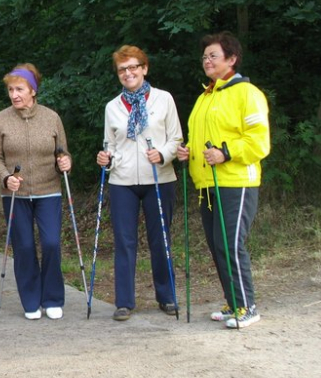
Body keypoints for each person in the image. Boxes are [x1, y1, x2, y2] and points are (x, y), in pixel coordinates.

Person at [177, 31, 270, 328]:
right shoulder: (205, 97)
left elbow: (259, 142)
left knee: (231, 243)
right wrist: (187, 152)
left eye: (213, 55)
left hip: (237, 180)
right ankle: (233, 303)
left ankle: (247, 306)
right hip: (207, 185)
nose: (207, 60)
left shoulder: (248, 94)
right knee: (218, 245)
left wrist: (226, 153)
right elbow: (201, 140)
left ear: (231, 59)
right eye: (204, 56)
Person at [96, 46, 183, 322]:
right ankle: (124, 302)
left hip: (159, 178)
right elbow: (110, 146)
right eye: (122, 69)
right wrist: (106, 160)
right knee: (124, 242)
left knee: (161, 240)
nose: (128, 73)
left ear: (144, 68)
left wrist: (164, 154)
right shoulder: (112, 107)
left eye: (133, 67)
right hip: (122, 181)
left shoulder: (163, 99)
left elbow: (176, 139)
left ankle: (167, 296)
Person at [0, 63, 71, 320]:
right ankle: (31, 300)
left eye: (20, 89)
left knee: (51, 243)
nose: (14, 95)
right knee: (23, 246)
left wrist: (65, 162)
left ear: (32, 90)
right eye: (11, 90)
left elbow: (63, 153)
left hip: (48, 190)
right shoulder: (0, 119)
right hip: (16, 194)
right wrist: (6, 178)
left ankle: (53, 297)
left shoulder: (51, 117)